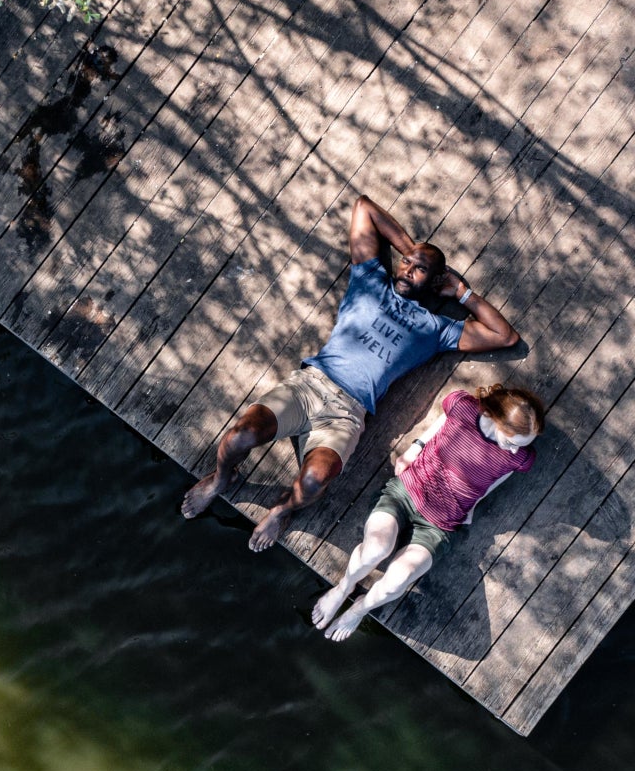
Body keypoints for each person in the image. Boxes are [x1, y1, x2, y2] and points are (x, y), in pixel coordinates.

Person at [179, 194, 520, 551]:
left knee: (313, 481)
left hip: (347, 414)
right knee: (239, 437)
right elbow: (363, 208)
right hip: (310, 386)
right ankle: (221, 479)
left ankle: (283, 509)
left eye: (417, 269)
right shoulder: (370, 280)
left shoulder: (435, 328)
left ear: (435, 283)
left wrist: (461, 293)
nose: (405, 269)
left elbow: (505, 336)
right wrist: (414, 251)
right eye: (404, 263)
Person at [313, 383, 545, 641]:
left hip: (440, 523)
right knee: (375, 549)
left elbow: (497, 479)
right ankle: (343, 588)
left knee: (399, 577)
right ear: (494, 417)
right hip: (407, 491)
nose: (516, 449)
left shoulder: (519, 458)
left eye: (522, 444)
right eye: (512, 442)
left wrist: (475, 503)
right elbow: (443, 419)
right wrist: (415, 448)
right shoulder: (463, 407)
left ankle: (359, 609)